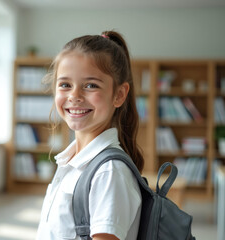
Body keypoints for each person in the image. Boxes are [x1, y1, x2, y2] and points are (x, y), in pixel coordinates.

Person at [36, 30, 144, 240]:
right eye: (65, 85)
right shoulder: (73, 161)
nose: (74, 96)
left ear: (119, 95)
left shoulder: (109, 172)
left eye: (91, 85)